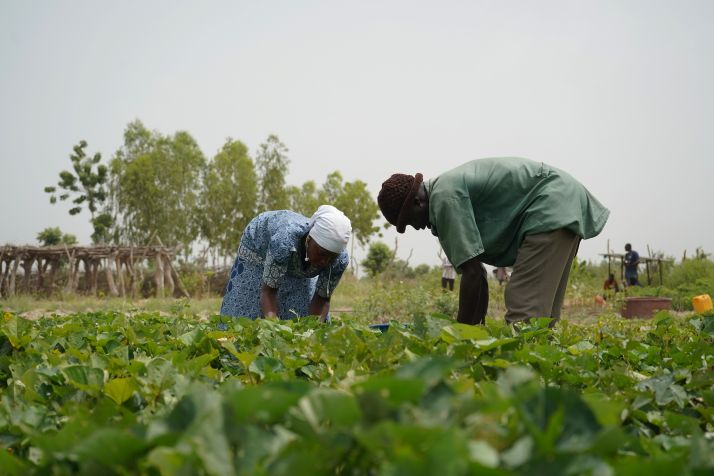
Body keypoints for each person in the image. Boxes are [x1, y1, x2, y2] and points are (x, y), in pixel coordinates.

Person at [377, 157, 609, 326]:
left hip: (550, 206)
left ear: (418, 202)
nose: (416, 227)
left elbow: (472, 275)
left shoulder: (444, 198)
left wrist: (460, 337)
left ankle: (524, 387)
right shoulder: (443, 194)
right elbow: (477, 273)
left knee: (524, 311)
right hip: (563, 203)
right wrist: (478, 326)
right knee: (542, 319)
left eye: (409, 221)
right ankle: (542, 381)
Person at [220, 205, 351, 322]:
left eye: (331, 257)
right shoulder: (284, 241)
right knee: (249, 313)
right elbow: (268, 292)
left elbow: (322, 299)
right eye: (322, 253)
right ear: (309, 239)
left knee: (300, 314)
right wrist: (276, 329)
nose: (325, 261)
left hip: (293, 256)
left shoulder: (339, 260)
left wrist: (312, 330)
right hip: (258, 251)